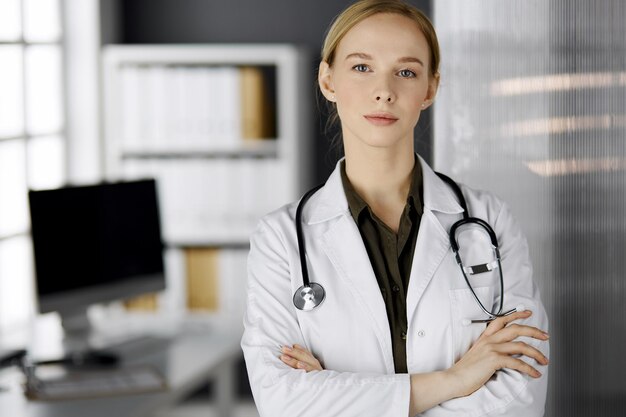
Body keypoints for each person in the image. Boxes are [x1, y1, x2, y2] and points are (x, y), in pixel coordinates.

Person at [241, 1, 549, 416]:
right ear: (328, 80)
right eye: (361, 67)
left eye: (406, 72)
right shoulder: (280, 239)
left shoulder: (489, 221)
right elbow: (283, 402)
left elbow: (519, 392)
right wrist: (455, 380)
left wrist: (337, 395)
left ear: (430, 88)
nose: (384, 90)